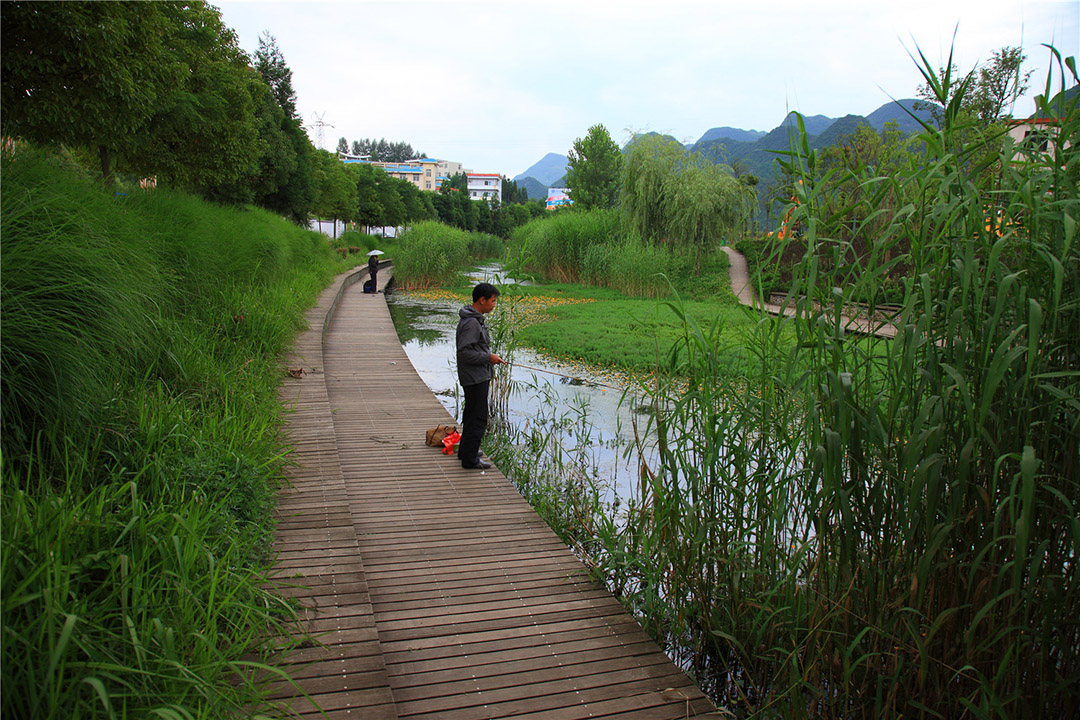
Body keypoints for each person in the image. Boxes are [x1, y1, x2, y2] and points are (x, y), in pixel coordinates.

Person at [455, 282, 504, 469]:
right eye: (492, 301)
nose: (494, 305)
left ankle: (467, 450)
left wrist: (490, 358)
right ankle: (470, 460)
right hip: (474, 377)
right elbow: (464, 353)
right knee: (478, 417)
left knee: (471, 414)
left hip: (477, 375)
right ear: (482, 300)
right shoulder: (472, 324)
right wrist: (488, 357)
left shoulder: (474, 319)